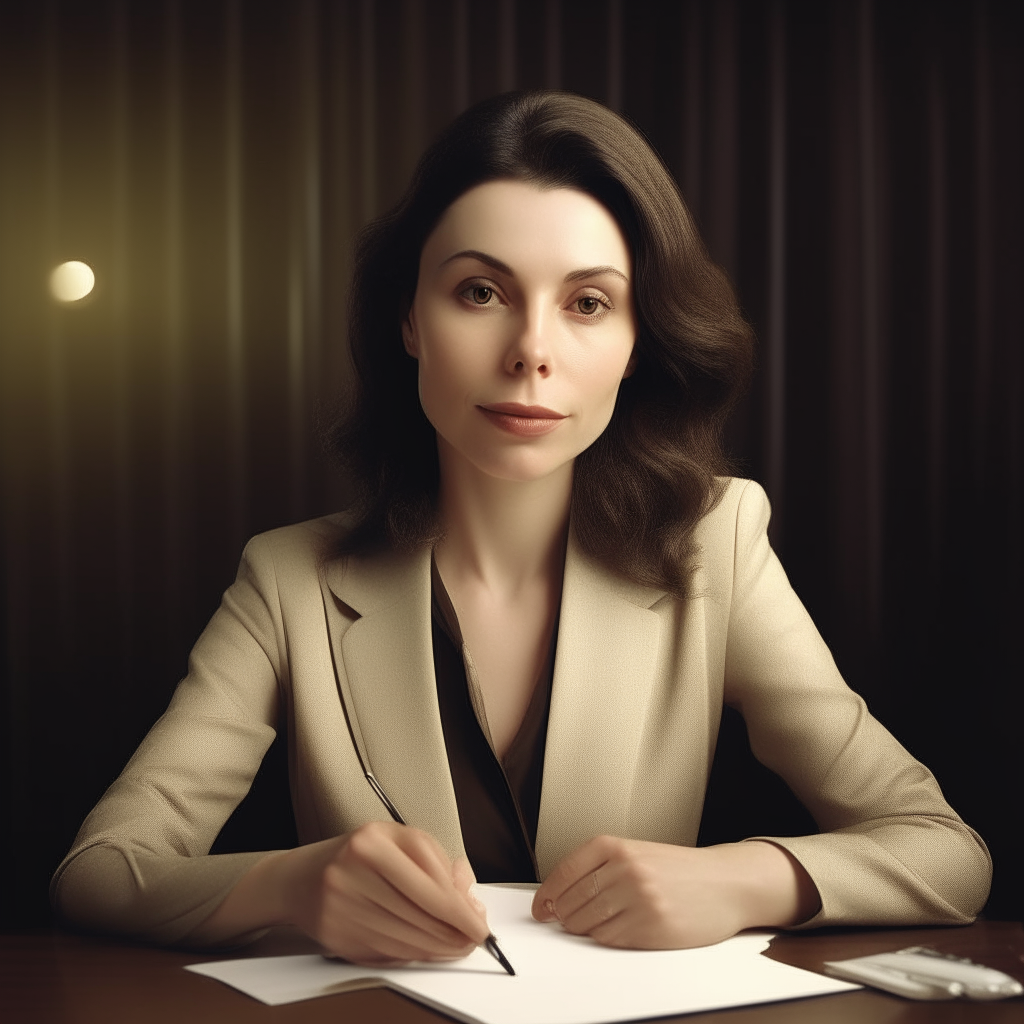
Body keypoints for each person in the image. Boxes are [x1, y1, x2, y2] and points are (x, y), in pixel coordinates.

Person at [52, 91, 990, 964]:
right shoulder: (290, 575)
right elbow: (100, 870)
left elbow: (947, 855)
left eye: (588, 304)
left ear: (636, 344)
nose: (531, 352)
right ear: (410, 320)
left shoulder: (719, 543)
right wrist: (290, 883)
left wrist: (745, 878)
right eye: (480, 292)